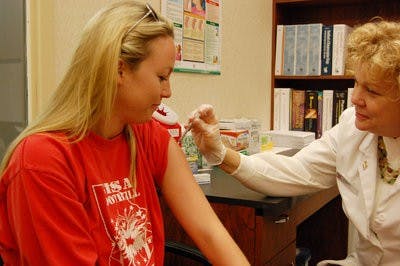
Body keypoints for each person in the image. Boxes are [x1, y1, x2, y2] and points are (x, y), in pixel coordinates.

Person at [0, 1, 249, 265]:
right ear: (120, 70)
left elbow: (209, 232)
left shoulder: (145, 134)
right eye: (162, 77)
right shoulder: (41, 161)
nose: (168, 92)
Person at [189, 19, 400, 265]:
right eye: (356, 83)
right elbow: (295, 171)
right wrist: (221, 153)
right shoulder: (352, 129)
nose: (354, 98)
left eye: (371, 91)